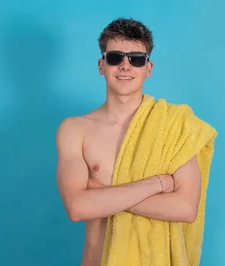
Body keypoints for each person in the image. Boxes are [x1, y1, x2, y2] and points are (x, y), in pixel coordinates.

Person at [55, 18, 206, 266]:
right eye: (115, 57)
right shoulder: (75, 129)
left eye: (136, 58)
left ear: (148, 68)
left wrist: (101, 192)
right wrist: (157, 183)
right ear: (101, 65)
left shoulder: (174, 126)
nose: (126, 65)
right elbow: (78, 207)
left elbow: (186, 209)